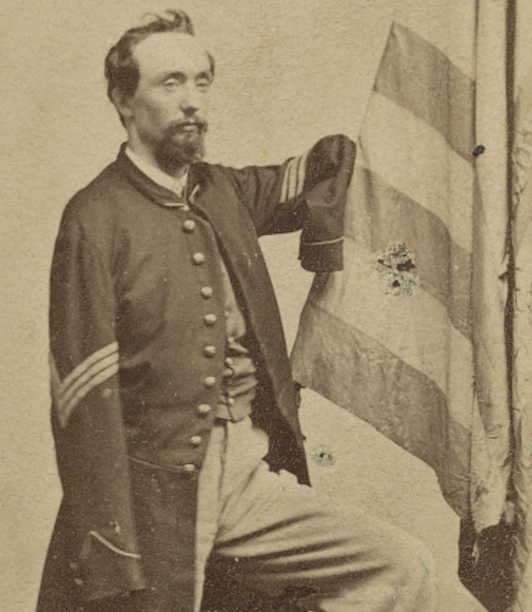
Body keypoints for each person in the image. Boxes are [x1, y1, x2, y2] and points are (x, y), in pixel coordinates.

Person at [38, 10, 437, 612]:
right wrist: (110, 544)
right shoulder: (93, 218)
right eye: (170, 83)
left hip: (248, 475)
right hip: (155, 494)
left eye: (202, 82)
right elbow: (82, 400)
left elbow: (321, 175)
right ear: (123, 100)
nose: (193, 101)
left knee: (400, 565)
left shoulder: (221, 191)